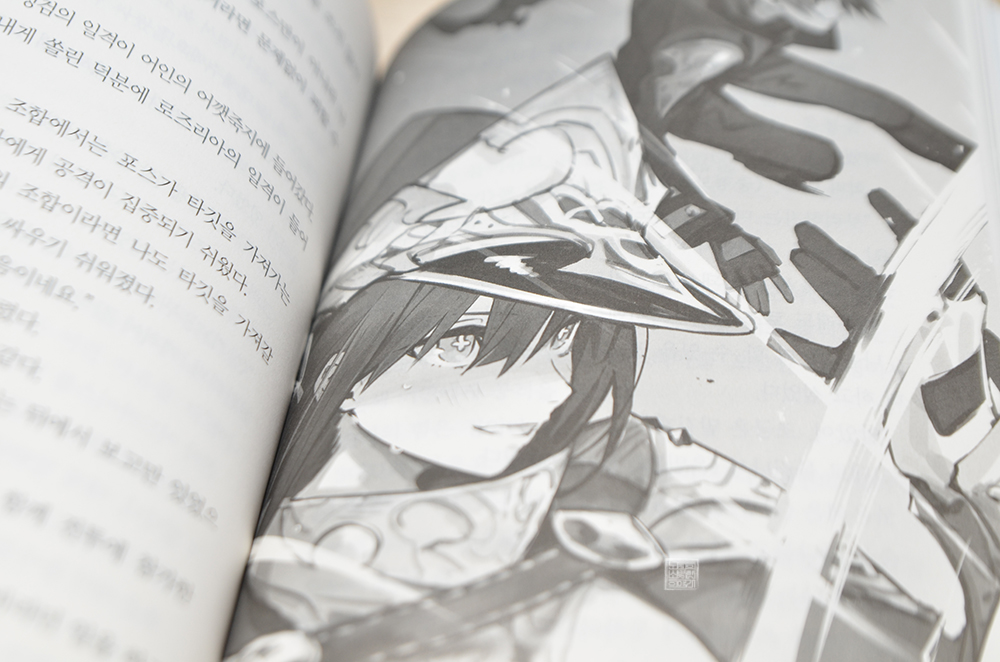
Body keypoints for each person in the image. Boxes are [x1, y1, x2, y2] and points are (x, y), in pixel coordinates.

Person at [225, 63, 968, 662]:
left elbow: (844, 622)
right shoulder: (259, 525)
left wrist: (947, 483)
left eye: (568, 346)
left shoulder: (629, 470)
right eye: (463, 345)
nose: (546, 394)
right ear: (349, 356)